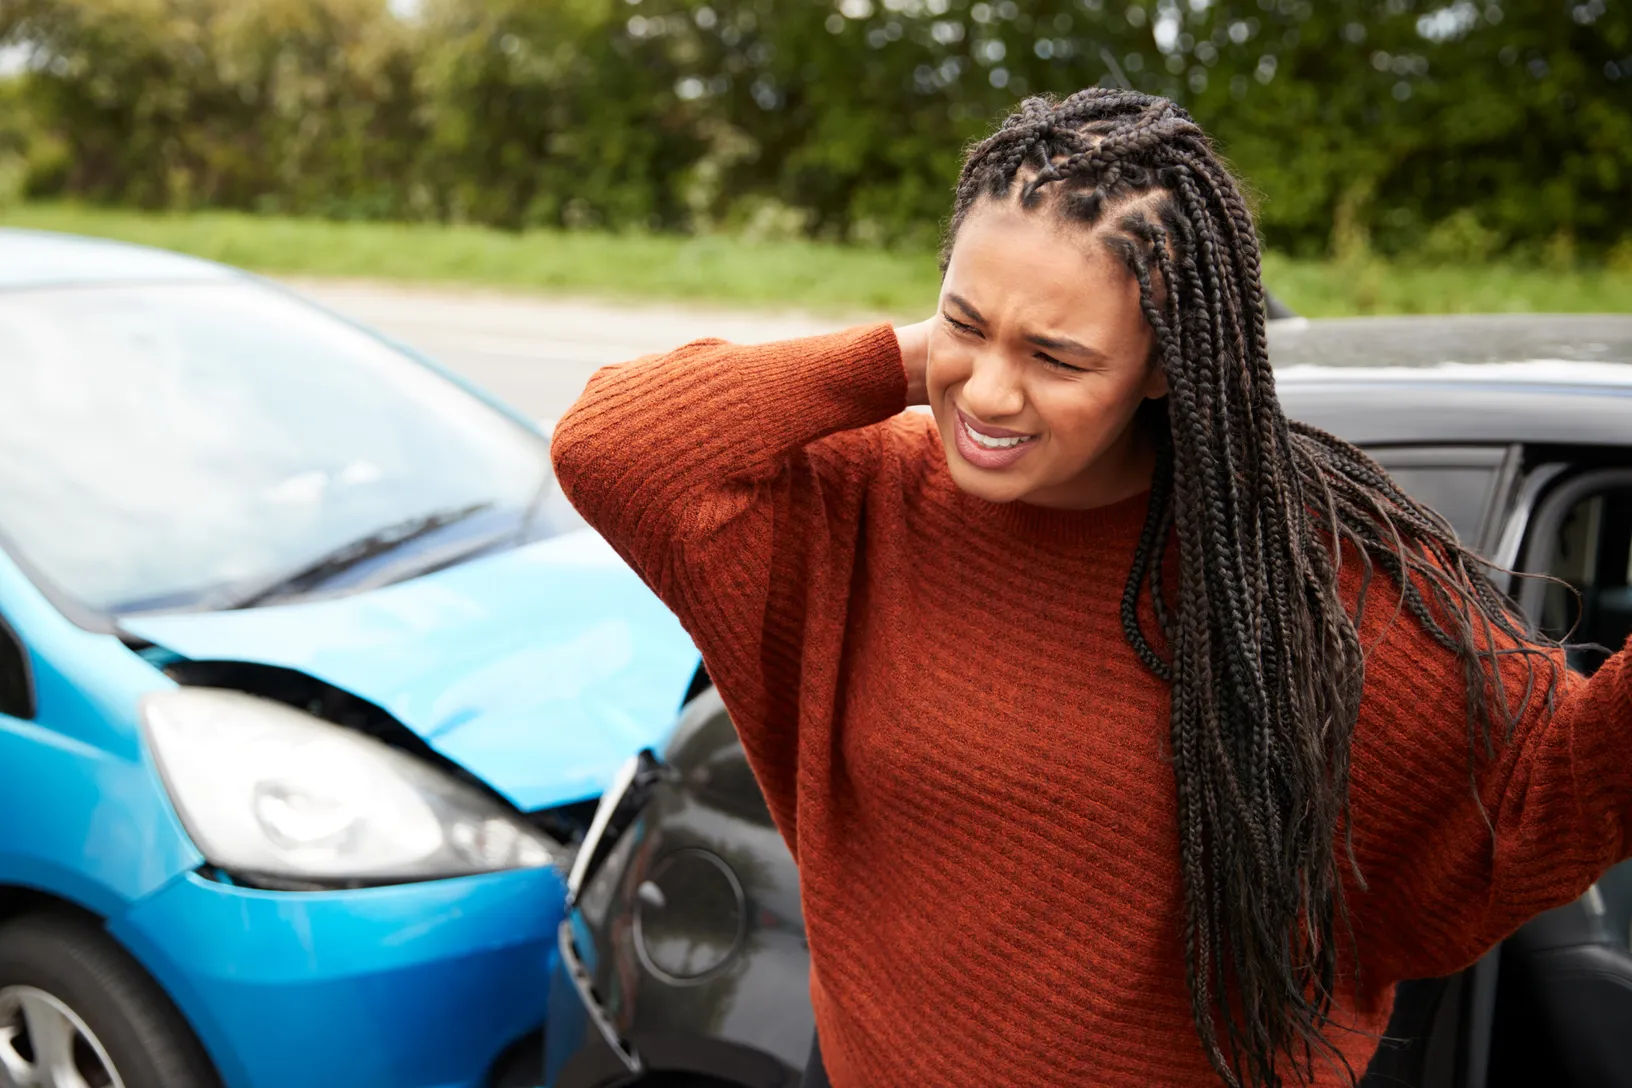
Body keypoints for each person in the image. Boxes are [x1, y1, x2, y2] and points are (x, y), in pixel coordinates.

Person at [550, 88, 1632, 1087]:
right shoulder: (864, 497)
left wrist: (990, 324)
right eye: (965, 323)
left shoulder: (1302, 574)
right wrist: (921, 351)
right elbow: (615, 445)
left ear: (1166, 362)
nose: (991, 392)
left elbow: (1556, 787)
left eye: (1058, 357)